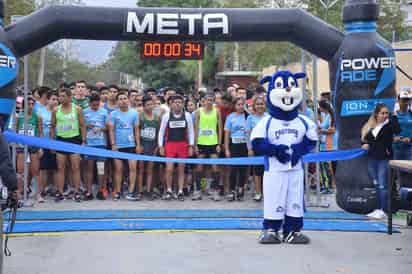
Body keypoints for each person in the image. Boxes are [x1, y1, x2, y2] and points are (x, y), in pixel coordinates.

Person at [361, 103, 400, 219]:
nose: (385, 115)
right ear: (377, 114)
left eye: (386, 113)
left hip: (384, 160)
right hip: (372, 159)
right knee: (376, 185)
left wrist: (395, 116)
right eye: (382, 113)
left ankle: (383, 210)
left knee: (383, 186)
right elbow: (365, 140)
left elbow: (398, 130)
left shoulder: (389, 126)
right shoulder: (371, 126)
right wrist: (364, 145)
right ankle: (377, 209)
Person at [50, 87, 86, 202]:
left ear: (70, 97)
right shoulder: (56, 110)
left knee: (75, 167)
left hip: (74, 140)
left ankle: (76, 192)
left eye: (63, 96)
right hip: (61, 140)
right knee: (61, 168)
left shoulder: (77, 109)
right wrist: (52, 143)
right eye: (59, 96)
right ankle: (60, 193)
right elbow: (52, 126)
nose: (60, 98)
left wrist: (84, 141)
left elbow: (82, 125)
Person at [158, 95, 195, 201]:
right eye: (175, 102)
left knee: (181, 169)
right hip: (170, 145)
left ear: (182, 104)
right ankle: (169, 190)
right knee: (169, 169)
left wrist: (191, 146)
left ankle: (180, 191)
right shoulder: (166, 115)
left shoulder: (187, 115)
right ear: (171, 104)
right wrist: (161, 146)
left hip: (183, 145)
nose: (178, 104)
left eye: (180, 102)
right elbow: (161, 132)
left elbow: (191, 131)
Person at [108, 91, 141, 201]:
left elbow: (136, 130)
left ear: (128, 100)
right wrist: (113, 144)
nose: (123, 100)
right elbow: (111, 130)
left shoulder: (134, 113)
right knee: (119, 169)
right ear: (117, 101)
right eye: (120, 99)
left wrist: (138, 145)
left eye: (125, 98)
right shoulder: (113, 114)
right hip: (118, 146)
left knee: (133, 168)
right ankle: (117, 191)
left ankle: (131, 192)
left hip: (131, 145)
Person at [193, 92, 223, 201]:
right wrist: (195, 144)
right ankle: (199, 190)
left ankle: (215, 191)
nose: (209, 102)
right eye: (207, 100)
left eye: (211, 100)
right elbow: (195, 128)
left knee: (215, 168)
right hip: (201, 143)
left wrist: (219, 144)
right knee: (200, 168)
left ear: (213, 101)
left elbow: (220, 128)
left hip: (213, 143)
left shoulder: (217, 112)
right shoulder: (198, 112)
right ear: (203, 101)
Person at [15, 96, 43, 201]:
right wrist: (17, 144)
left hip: (33, 146)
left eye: (32, 104)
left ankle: (38, 194)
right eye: (28, 104)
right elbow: (16, 132)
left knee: (35, 171)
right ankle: (19, 193)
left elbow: (40, 133)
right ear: (24, 105)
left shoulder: (37, 117)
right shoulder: (19, 117)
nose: (30, 106)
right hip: (22, 146)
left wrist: (41, 148)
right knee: (21, 171)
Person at [83, 93, 109, 200]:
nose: (95, 107)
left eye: (97, 105)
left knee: (101, 169)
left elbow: (108, 128)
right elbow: (82, 126)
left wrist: (100, 129)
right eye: (93, 105)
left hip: (101, 144)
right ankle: (89, 192)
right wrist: (88, 126)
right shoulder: (85, 112)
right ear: (89, 104)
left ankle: (100, 191)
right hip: (89, 144)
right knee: (89, 169)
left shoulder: (104, 112)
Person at [224, 97, 248, 201]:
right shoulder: (230, 117)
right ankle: (232, 190)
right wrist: (226, 149)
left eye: (242, 104)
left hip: (245, 145)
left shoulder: (248, 117)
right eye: (238, 104)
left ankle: (241, 189)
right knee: (233, 169)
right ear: (235, 106)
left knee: (243, 169)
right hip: (233, 145)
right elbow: (227, 134)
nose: (240, 106)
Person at [246, 96, 268, 201]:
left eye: (262, 104)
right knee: (257, 171)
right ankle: (258, 192)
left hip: (267, 147)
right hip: (256, 148)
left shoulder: (268, 117)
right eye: (258, 104)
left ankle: (267, 192)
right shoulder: (250, 118)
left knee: (268, 171)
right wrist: (249, 148)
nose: (260, 106)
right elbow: (248, 135)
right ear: (254, 106)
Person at [38, 91, 59, 201]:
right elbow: (40, 131)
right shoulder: (41, 112)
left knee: (56, 168)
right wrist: (41, 146)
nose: (55, 102)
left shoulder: (59, 111)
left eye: (57, 99)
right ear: (47, 100)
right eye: (53, 99)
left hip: (57, 144)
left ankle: (56, 190)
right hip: (45, 143)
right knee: (43, 169)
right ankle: (42, 191)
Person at [138, 95, 159, 200]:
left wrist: (157, 147)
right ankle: (140, 191)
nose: (150, 107)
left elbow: (158, 133)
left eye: (152, 104)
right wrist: (139, 145)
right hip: (143, 145)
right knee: (141, 169)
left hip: (152, 146)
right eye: (148, 105)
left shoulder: (156, 117)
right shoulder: (140, 116)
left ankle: (149, 190)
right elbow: (137, 131)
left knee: (150, 169)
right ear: (144, 106)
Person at [318, 100, 337, 193]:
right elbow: (322, 126)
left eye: (320, 107)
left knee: (330, 166)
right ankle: (332, 185)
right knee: (332, 166)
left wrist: (321, 131)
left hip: (331, 145)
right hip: (331, 145)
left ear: (323, 107)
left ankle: (331, 185)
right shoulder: (329, 116)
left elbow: (332, 130)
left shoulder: (331, 116)